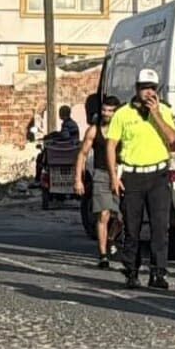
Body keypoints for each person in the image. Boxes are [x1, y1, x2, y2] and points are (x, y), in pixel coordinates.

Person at [106, 69, 175, 290]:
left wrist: (156, 114)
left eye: (152, 88)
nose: (148, 92)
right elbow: (111, 145)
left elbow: (172, 138)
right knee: (132, 227)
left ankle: (158, 273)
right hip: (132, 176)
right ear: (136, 89)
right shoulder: (123, 114)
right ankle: (131, 271)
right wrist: (113, 177)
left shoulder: (164, 110)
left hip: (158, 175)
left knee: (160, 227)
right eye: (144, 88)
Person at [75, 95, 122, 269]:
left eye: (110, 111)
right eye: (104, 110)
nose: (106, 113)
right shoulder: (94, 130)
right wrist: (78, 179)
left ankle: (111, 239)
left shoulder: (124, 129)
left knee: (122, 217)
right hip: (102, 174)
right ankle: (103, 256)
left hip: (122, 174)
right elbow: (82, 154)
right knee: (103, 214)